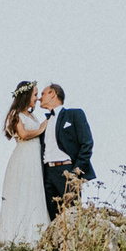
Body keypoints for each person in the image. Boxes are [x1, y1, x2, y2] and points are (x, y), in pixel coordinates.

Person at [0, 79, 51, 245]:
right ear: (26, 96)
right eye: (35, 94)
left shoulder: (31, 115)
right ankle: (17, 237)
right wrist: (41, 128)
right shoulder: (16, 114)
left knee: (34, 193)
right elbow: (23, 134)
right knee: (22, 193)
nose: (37, 98)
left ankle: (35, 236)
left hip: (34, 157)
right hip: (24, 157)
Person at [38, 83, 94, 215]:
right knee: (53, 217)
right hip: (47, 173)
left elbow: (87, 143)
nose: (40, 98)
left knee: (72, 215)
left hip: (67, 171)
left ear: (53, 94)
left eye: (43, 94)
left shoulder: (74, 114)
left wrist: (76, 172)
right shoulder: (44, 123)